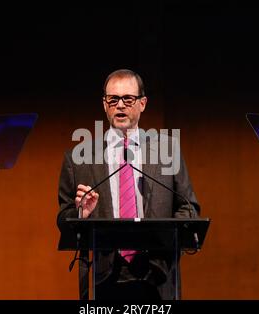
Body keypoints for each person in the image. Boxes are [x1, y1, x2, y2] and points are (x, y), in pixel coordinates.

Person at [57, 69, 200, 300]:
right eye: (113, 99)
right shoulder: (78, 158)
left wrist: (163, 242)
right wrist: (81, 213)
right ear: (104, 104)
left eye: (128, 99)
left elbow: (189, 208)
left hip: (158, 276)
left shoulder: (167, 151)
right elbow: (64, 220)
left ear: (142, 103)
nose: (120, 105)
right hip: (103, 278)